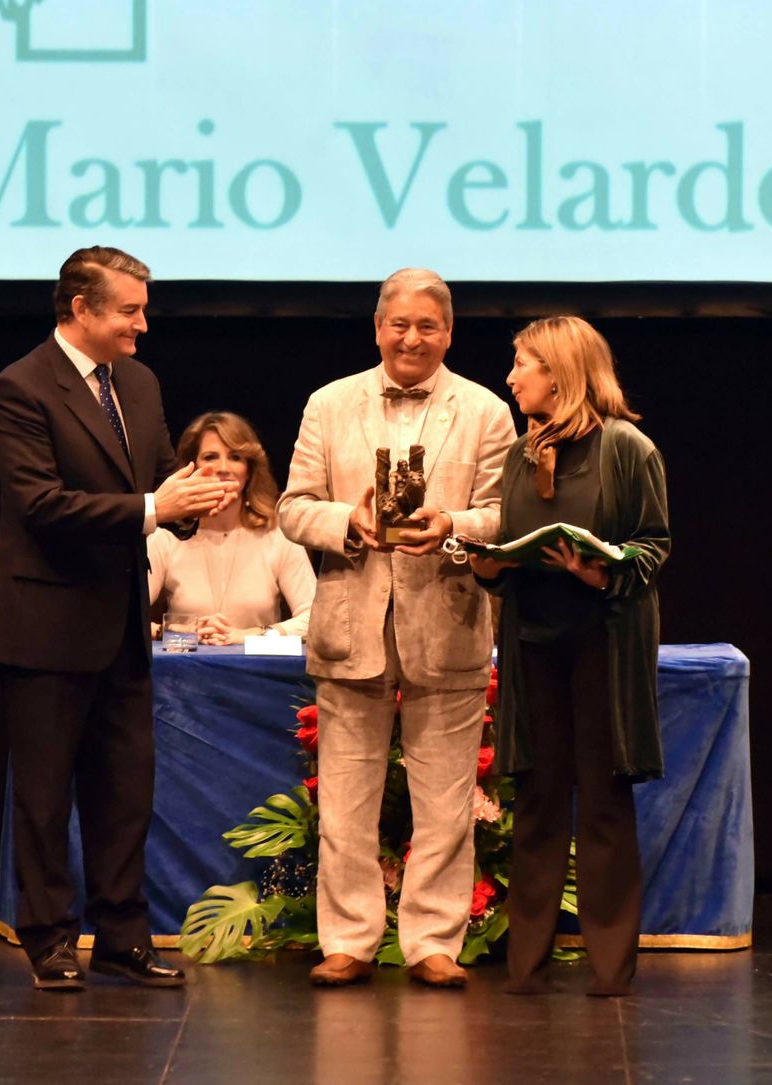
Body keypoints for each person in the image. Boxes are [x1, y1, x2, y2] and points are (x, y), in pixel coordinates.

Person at [0, 246, 236, 991]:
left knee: (126, 791)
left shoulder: (139, 381)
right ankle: (51, 938)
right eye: (129, 310)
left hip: (121, 623)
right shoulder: (20, 388)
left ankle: (123, 935)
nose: (142, 325)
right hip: (44, 626)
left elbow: (155, 475)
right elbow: (43, 506)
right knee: (46, 794)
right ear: (81, 309)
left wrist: (189, 502)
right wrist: (161, 507)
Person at [279, 268, 516, 989]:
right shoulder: (329, 402)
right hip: (353, 622)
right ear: (377, 327)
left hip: (446, 619)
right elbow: (293, 507)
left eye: (428, 325)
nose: (412, 337)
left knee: (445, 800)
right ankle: (348, 939)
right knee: (345, 800)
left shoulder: (484, 411)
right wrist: (346, 519)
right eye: (399, 324)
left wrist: (451, 527)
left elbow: (505, 518)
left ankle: (432, 942)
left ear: (448, 332)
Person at [470, 316, 670, 997]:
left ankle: (611, 967)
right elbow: (511, 535)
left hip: (602, 641)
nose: (511, 376)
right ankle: (525, 964)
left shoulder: (626, 447)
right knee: (538, 799)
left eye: (522, 363)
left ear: (559, 372)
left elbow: (653, 544)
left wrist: (598, 571)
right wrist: (489, 567)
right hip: (534, 643)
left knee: (605, 802)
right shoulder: (523, 451)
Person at [147, 411, 315, 643]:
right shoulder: (166, 535)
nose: (223, 468)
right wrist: (179, 632)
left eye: (235, 457)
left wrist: (249, 636)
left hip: (257, 673)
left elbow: (314, 617)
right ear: (191, 467)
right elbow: (122, 618)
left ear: (249, 469)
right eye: (210, 457)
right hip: (182, 673)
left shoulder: (278, 534)